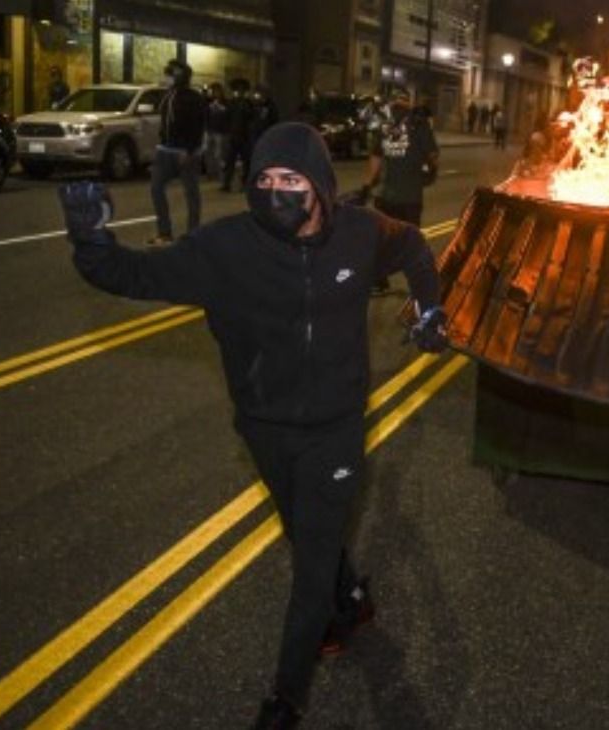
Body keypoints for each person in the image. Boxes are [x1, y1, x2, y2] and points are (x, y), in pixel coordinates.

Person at [56, 122, 448, 730]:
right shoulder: (226, 249)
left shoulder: (360, 232)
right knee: (304, 528)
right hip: (263, 426)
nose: (275, 192)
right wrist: (90, 242)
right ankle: (348, 602)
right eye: (263, 180)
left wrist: (431, 304)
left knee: (311, 562)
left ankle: (285, 698)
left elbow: (416, 247)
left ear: (318, 185)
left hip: (336, 426)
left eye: (290, 180)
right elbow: (133, 275)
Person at [148, 59, 206, 246]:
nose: (166, 78)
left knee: (191, 193)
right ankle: (164, 233)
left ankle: (193, 235)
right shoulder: (168, 95)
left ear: (179, 77)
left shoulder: (193, 98)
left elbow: (198, 126)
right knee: (156, 188)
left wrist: (189, 150)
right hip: (165, 150)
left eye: (169, 74)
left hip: (185, 153)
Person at [362, 90, 439, 227]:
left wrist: (367, 185)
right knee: (408, 242)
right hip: (410, 199)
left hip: (385, 197)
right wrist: (431, 171)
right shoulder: (419, 123)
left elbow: (376, 157)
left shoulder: (384, 124)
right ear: (408, 102)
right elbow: (432, 154)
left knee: (386, 241)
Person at [221, 79, 255, 192]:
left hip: (244, 137)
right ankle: (226, 183)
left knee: (246, 162)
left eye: (241, 90)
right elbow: (226, 118)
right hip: (233, 136)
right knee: (229, 162)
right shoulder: (231, 103)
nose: (239, 92)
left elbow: (252, 119)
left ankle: (245, 184)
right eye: (237, 89)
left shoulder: (249, 103)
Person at [203, 82, 230, 181]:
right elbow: (204, 113)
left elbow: (228, 115)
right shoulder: (208, 102)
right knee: (207, 153)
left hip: (220, 132)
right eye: (213, 91)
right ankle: (210, 173)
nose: (215, 93)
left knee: (218, 154)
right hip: (209, 130)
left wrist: (221, 108)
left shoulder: (225, 103)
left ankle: (219, 173)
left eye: (217, 91)